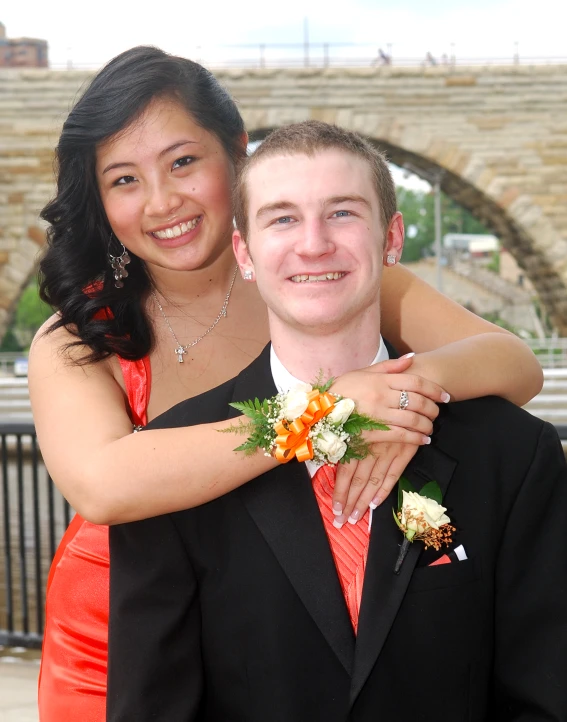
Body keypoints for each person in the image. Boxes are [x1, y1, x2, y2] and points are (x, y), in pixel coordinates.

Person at [28, 47, 543, 720]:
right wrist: (328, 416)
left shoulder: (323, 279)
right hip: (105, 652)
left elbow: (514, 363)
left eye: (184, 162)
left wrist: (401, 392)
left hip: (274, 646)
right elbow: (104, 483)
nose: (161, 202)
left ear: (237, 152)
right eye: (123, 179)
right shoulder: (79, 337)